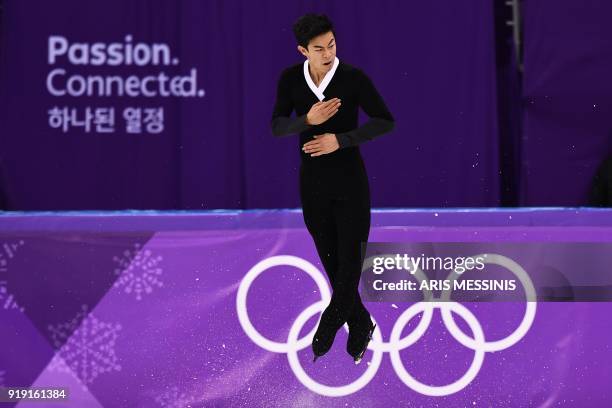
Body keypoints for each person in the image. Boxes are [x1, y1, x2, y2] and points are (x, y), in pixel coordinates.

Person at [271, 13, 394, 364]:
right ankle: (360, 322)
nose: (327, 53)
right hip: (312, 185)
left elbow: (386, 121)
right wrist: (307, 121)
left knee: (350, 263)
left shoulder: (353, 78)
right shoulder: (291, 80)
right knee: (332, 262)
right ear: (303, 50)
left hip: (351, 182)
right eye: (318, 48)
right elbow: (277, 127)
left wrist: (341, 140)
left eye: (332, 45)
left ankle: (329, 324)